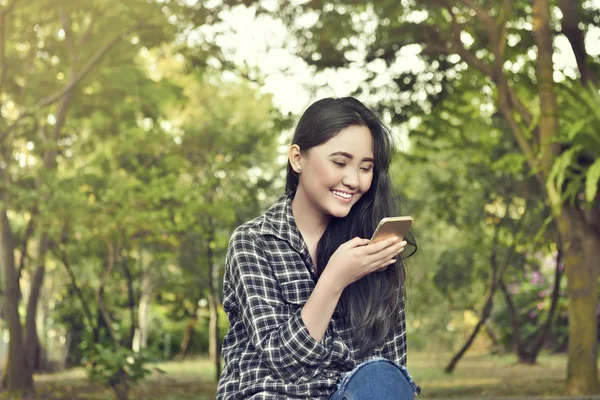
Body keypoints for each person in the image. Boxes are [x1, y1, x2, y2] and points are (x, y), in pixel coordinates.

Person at [217, 97, 420, 400]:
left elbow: (390, 371)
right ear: (298, 158)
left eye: (366, 168)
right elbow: (283, 361)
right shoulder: (253, 242)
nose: (353, 180)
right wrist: (335, 278)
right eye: (339, 162)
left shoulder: (374, 251)